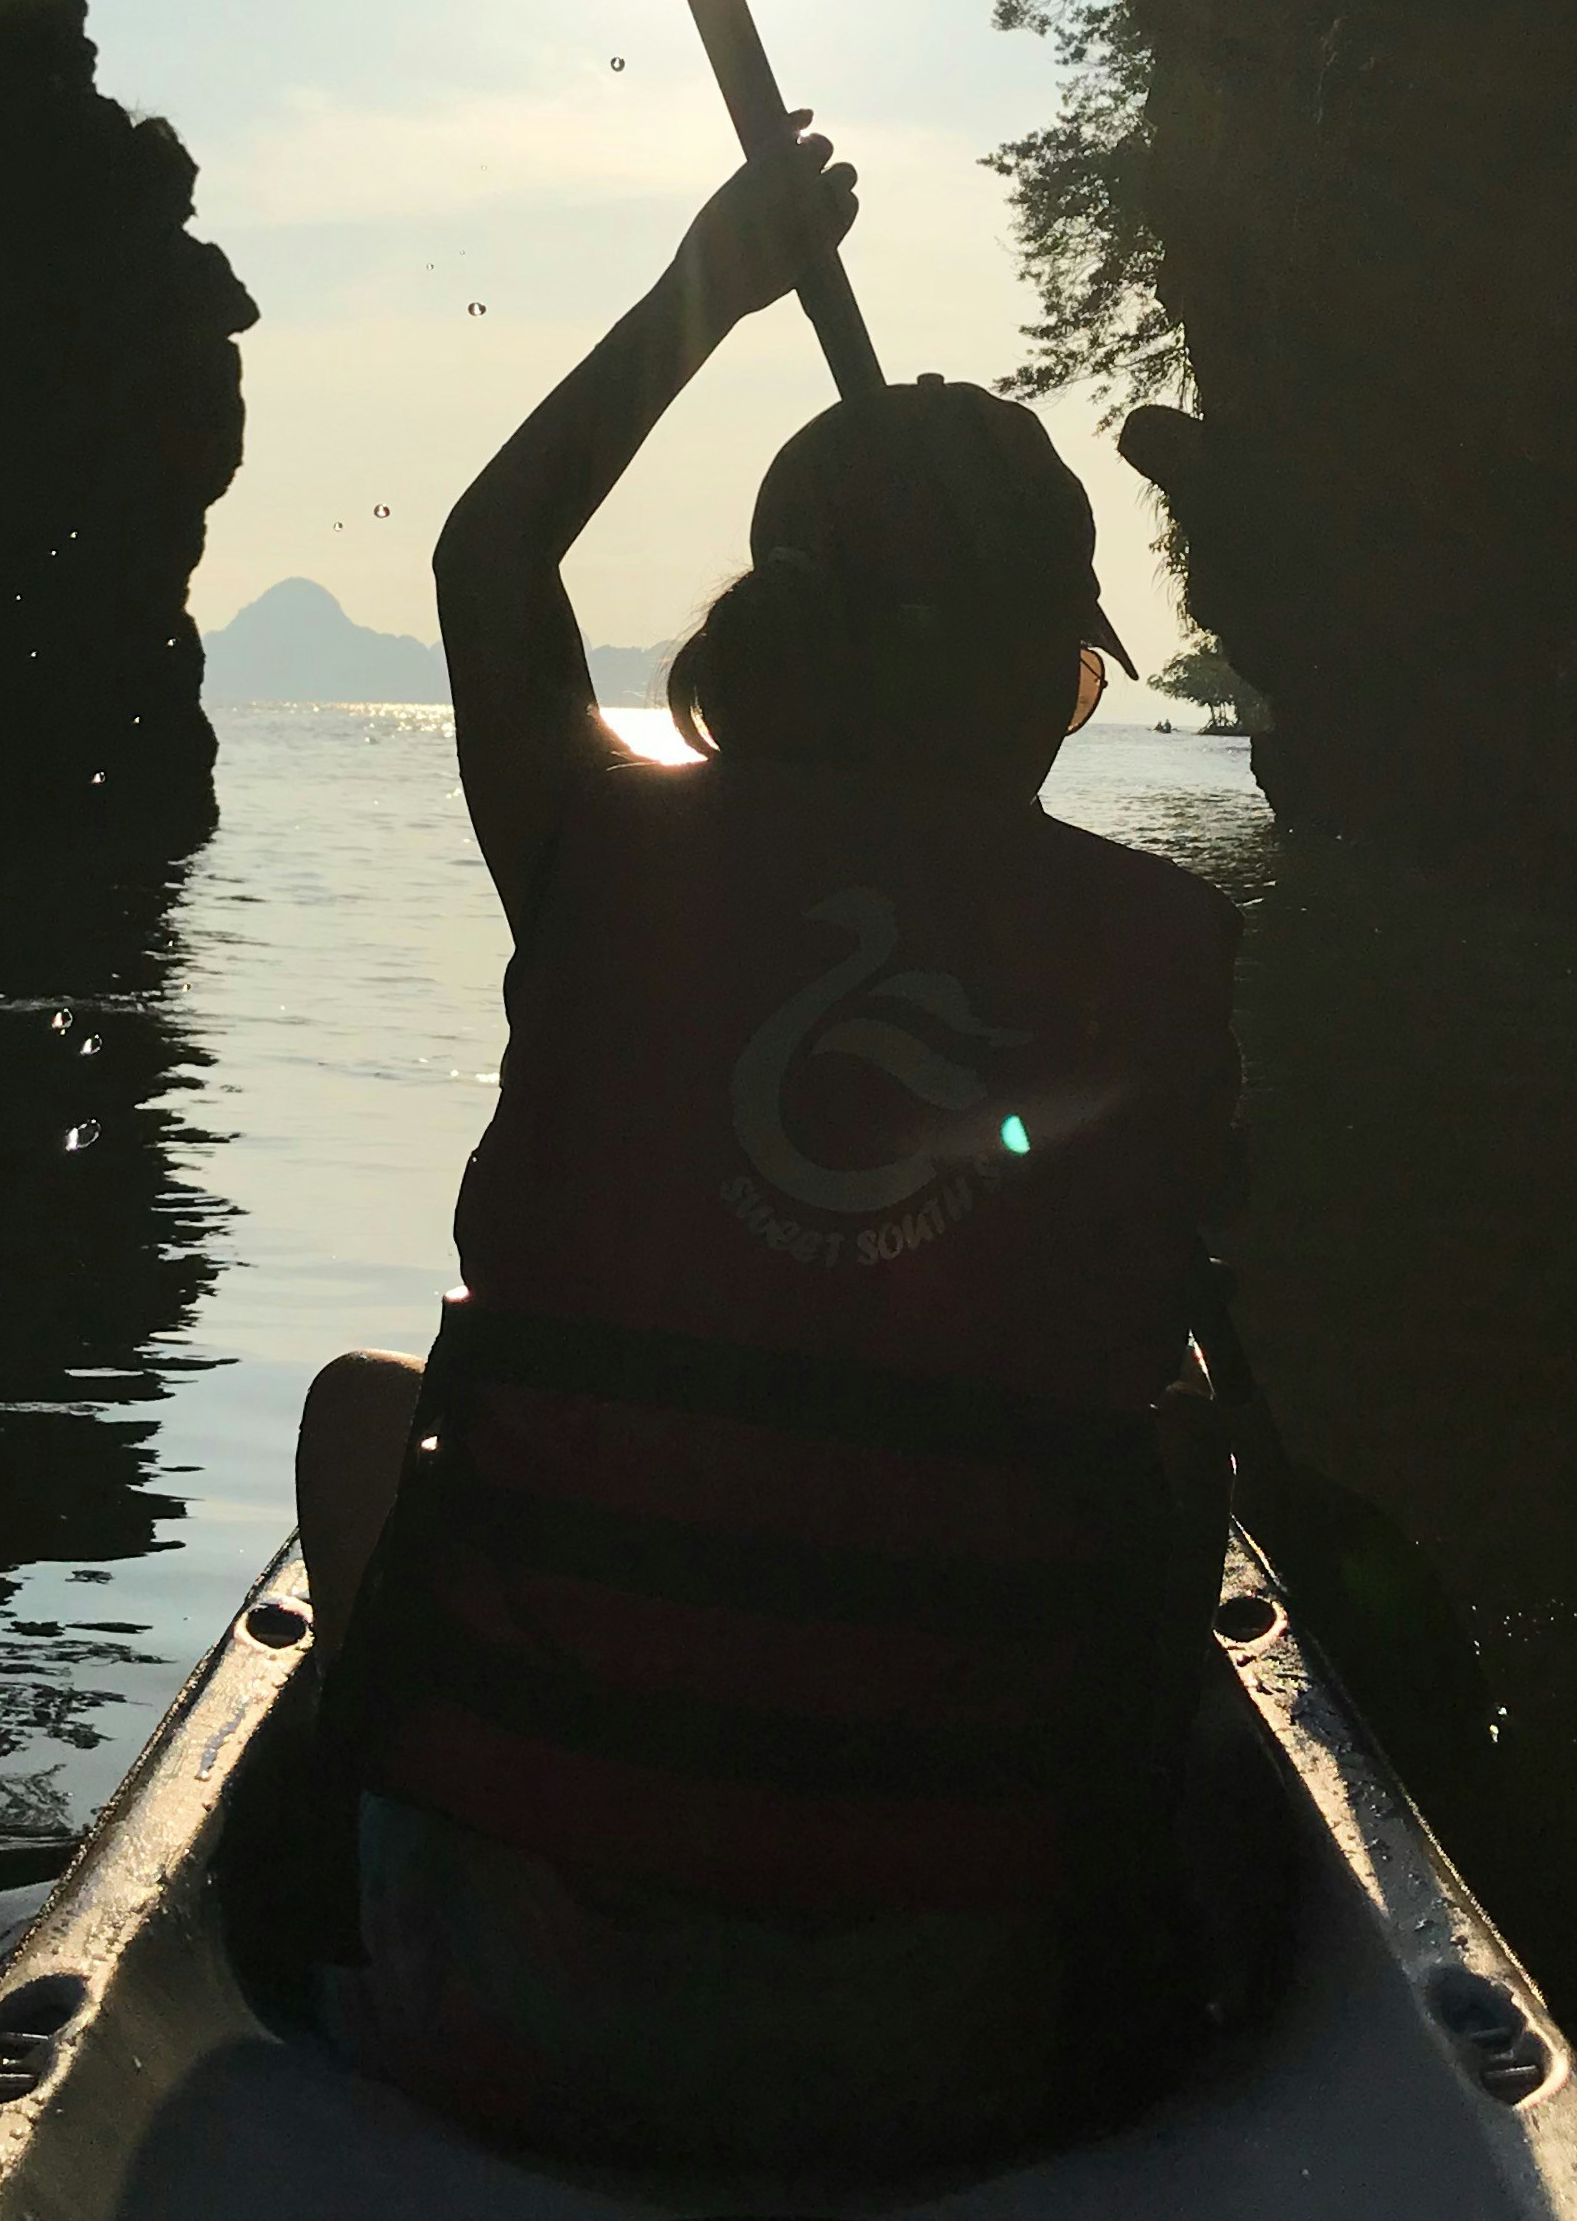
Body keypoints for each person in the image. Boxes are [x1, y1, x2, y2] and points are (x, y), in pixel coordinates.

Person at [294, 123, 1269, 2175]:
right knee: (1177, 1437)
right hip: (950, 2032)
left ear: (778, 630)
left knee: (361, 1414)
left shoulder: (601, 854)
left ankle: (316, 1927)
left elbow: (487, 563)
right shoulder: (1168, 947)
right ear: (1047, 667)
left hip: (504, 1996)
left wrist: (704, 288)